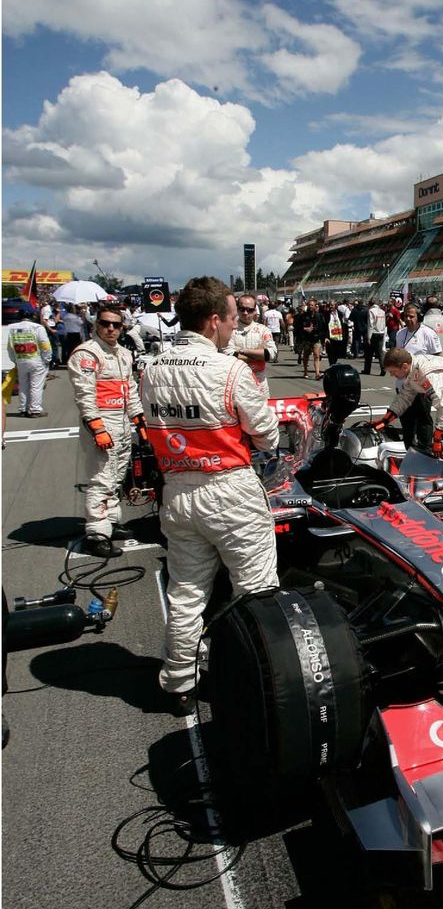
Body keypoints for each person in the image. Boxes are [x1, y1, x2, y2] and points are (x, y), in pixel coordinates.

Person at [140, 276, 279, 707]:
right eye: (234, 319)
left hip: (178, 492)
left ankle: (179, 682)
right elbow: (268, 436)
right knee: (256, 590)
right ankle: (257, 680)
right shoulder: (230, 369)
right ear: (214, 319)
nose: (236, 328)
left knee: (185, 593)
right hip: (229, 490)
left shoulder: (150, 367)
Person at [67, 305, 146, 556]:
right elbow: (85, 396)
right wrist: (97, 427)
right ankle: (97, 534)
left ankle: (110, 522)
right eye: (105, 323)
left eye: (116, 324)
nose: (111, 328)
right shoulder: (86, 354)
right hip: (102, 423)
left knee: (118, 475)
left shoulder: (123, 354)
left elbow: (130, 390)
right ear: (96, 325)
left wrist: (139, 419)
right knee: (102, 478)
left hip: (122, 422)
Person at [378, 347, 443, 458]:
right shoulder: (414, 367)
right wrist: (386, 419)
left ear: (404, 366)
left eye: (393, 372)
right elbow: (404, 396)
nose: (392, 375)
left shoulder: (428, 373)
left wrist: (438, 437)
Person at [392, 303, 443, 447]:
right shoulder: (400, 334)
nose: (408, 319)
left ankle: (425, 449)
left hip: (421, 385)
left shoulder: (428, 333)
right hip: (402, 385)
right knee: (406, 421)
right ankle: (409, 449)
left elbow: (437, 358)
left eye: (411, 316)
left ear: (418, 317)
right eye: (406, 316)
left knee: (423, 420)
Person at [226, 294, 277, 395]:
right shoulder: (230, 329)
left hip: (259, 383)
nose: (245, 313)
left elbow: (271, 354)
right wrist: (258, 355)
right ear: (237, 309)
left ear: (254, 311)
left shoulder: (263, 330)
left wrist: (243, 351)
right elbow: (228, 354)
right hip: (236, 382)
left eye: (249, 310)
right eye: (242, 309)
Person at [7, 307, 52, 418]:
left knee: (23, 385)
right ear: (33, 316)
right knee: (36, 385)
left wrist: (14, 360)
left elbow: (10, 346)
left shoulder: (11, 328)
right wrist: (47, 359)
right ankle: (35, 409)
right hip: (36, 359)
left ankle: (23, 408)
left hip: (20, 359)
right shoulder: (37, 327)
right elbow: (45, 345)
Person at [294, 300, 325, 379]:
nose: (310, 307)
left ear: (315, 306)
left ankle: (317, 373)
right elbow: (298, 327)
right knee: (306, 355)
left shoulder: (319, 316)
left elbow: (322, 327)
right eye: (309, 305)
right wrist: (305, 328)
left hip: (316, 338)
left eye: (312, 305)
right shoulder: (303, 316)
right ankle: (305, 370)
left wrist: (323, 337)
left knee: (316, 355)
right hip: (306, 338)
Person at [364, 297, 388, 376]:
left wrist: (368, 337)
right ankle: (383, 368)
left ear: (370, 304)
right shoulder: (382, 311)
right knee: (380, 352)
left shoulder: (371, 311)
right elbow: (384, 324)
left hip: (374, 333)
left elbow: (370, 325)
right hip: (381, 333)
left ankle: (367, 369)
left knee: (369, 353)